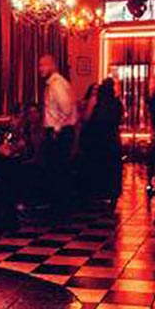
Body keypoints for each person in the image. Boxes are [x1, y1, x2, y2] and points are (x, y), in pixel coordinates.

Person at [38, 55, 76, 211]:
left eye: (42, 65)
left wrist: (57, 129)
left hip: (59, 132)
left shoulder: (56, 84)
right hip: (60, 131)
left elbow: (66, 109)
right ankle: (59, 206)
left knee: (58, 171)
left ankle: (59, 208)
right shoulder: (56, 83)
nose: (40, 69)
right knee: (58, 170)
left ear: (52, 66)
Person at [79, 78, 124, 203]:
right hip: (113, 138)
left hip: (97, 138)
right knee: (112, 168)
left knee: (98, 166)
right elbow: (120, 119)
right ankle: (112, 194)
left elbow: (86, 118)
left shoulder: (96, 101)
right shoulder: (117, 103)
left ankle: (97, 194)